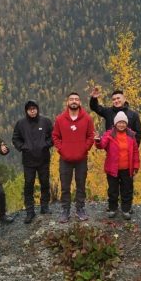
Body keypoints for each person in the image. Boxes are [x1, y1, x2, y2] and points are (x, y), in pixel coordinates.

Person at [52, 92, 95, 223]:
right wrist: (62, 150)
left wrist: (84, 149)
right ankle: (65, 210)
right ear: (67, 102)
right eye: (71, 99)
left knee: (81, 185)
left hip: (81, 158)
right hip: (65, 159)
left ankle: (80, 209)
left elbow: (91, 136)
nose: (74, 101)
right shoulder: (60, 119)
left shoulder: (87, 119)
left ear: (80, 102)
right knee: (65, 186)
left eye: (76, 99)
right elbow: (55, 136)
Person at [12, 100, 53, 223]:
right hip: (28, 161)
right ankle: (30, 211)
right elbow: (15, 138)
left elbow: (53, 136)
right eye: (30, 109)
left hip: (43, 159)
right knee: (29, 185)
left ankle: (44, 206)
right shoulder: (21, 123)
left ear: (37, 109)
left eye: (34, 108)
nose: (32, 111)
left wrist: (46, 145)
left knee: (45, 183)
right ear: (26, 111)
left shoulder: (45, 121)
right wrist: (23, 147)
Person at [95, 112, 140, 220]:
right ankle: (112, 208)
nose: (121, 125)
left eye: (123, 122)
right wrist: (98, 140)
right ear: (115, 123)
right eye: (119, 122)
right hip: (112, 168)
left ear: (126, 124)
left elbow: (135, 151)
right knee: (113, 191)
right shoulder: (109, 134)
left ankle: (126, 209)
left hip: (127, 169)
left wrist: (136, 166)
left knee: (127, 190)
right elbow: (102, 145)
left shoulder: (131, 135)